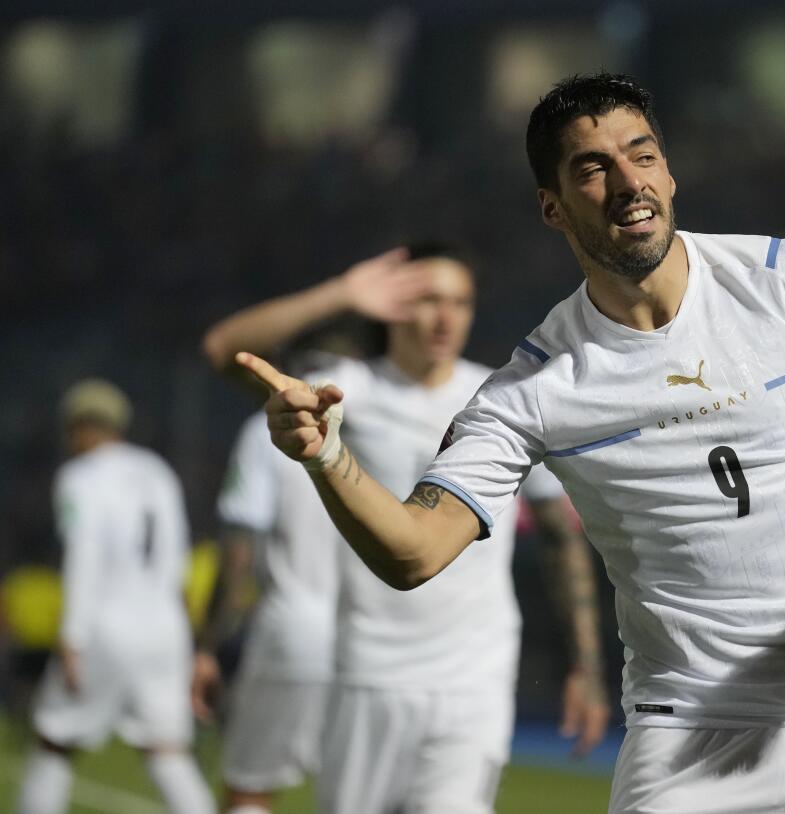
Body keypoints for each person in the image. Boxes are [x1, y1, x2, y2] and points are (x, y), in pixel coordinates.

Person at [238, 73, 785, 812]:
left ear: (669, 171)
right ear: (552, 207)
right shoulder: (535, 386)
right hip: (689, 743)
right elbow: (415, 550)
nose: (628, 182)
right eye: (593, 167)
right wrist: (328, 456)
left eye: (641, 155)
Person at [203, 244, 610, 814]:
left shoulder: (505, 398)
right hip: (370, 672)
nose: (446, 318)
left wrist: (586, 669)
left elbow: (560, 537)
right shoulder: (350, 389)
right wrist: (341, 293)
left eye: (460, 302)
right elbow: (225, 351)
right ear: (393, 307)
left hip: (476, 676)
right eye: (427, 300)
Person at [15, 379, 215, 814]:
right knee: (167, 751)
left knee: (54, 741)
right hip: (165, 629)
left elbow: (84, 553)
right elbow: (177, 560)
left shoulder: (79, 476)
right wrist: (191, 642)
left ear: (82, 426)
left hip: (107, 625)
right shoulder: (157, 470)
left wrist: (72, 635)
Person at [190, 400, 340, 814]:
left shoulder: (268, 428)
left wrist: (207, 646)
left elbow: (239, 553)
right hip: (376, 636)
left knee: (248, 789)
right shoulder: (388, 418)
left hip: (296, 626)